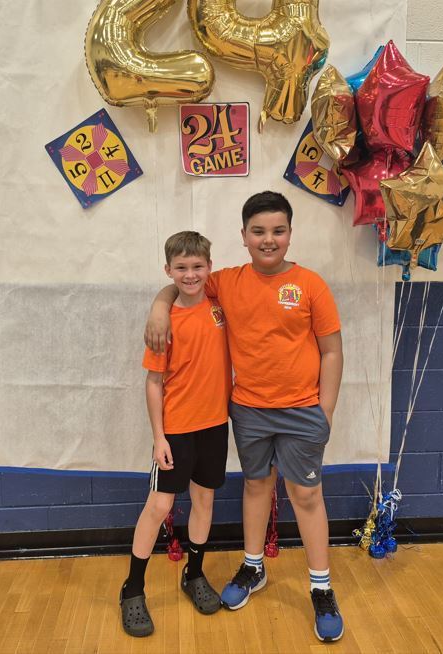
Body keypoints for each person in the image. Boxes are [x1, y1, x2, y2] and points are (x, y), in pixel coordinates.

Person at [144, 191, 345, 642]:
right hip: (249, 410)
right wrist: (159, 306)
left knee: (306, 494)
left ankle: (321, 587)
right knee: (256, 486)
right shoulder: (228, 281)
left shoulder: (310, 285)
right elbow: (183, 280)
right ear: (244, 236)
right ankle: (254, 567)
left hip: (302, 410)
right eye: (258, 231)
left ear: (289, 234)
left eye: (277, 231)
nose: (268, 239)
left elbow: (332, 351)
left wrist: (325, 410)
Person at [120, 231, 233, 638]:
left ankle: (194, 573)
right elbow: (154, 383)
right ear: (168, 270)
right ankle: (133, 589)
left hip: (214, 426)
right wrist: (159, 437)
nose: (190, 274)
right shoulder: (164, 324)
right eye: (181, 268)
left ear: (209, 267)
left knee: (205, 501)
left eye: (197, 266)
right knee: (160, 505)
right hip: (176, 431)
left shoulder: (219, 306)